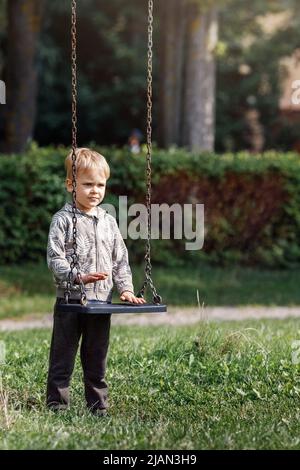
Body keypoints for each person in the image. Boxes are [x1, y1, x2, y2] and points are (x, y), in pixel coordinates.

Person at [46, 147, 145, 416]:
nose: (95, 191)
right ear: (71, 184)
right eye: (87, 184)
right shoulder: (63, 220)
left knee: (96, 358)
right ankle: (57, 406)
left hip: (100, 301)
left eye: (100, 184)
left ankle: (98, 407)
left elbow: (120, 260)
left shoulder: (109, 222)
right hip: (70, 301)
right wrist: (78, 277)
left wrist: (125, 289)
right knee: (62, 357)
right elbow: (55, 260)